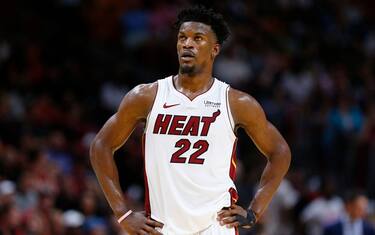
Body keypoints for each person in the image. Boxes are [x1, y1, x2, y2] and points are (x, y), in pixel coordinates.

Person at [90, 5, 291, 235]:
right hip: (162, 228)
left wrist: (255, 211)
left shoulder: (236, 102)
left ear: (215, 49)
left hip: (216, 228)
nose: (187, 44)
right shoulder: (147, 96)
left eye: (198, 38)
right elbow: (100, 146)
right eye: (182, 38)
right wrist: (122, 213)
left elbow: (280, 151)